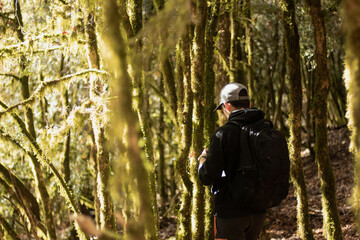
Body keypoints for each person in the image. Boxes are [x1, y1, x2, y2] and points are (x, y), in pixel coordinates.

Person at [198, 82, 266, 240]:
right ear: (248, 104)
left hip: (230, 213)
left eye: (222, 108)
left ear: (227, 106)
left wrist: (202, 160)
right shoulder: (264, 131)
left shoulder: (223, 134)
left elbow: (206, 176)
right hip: (259, 212)